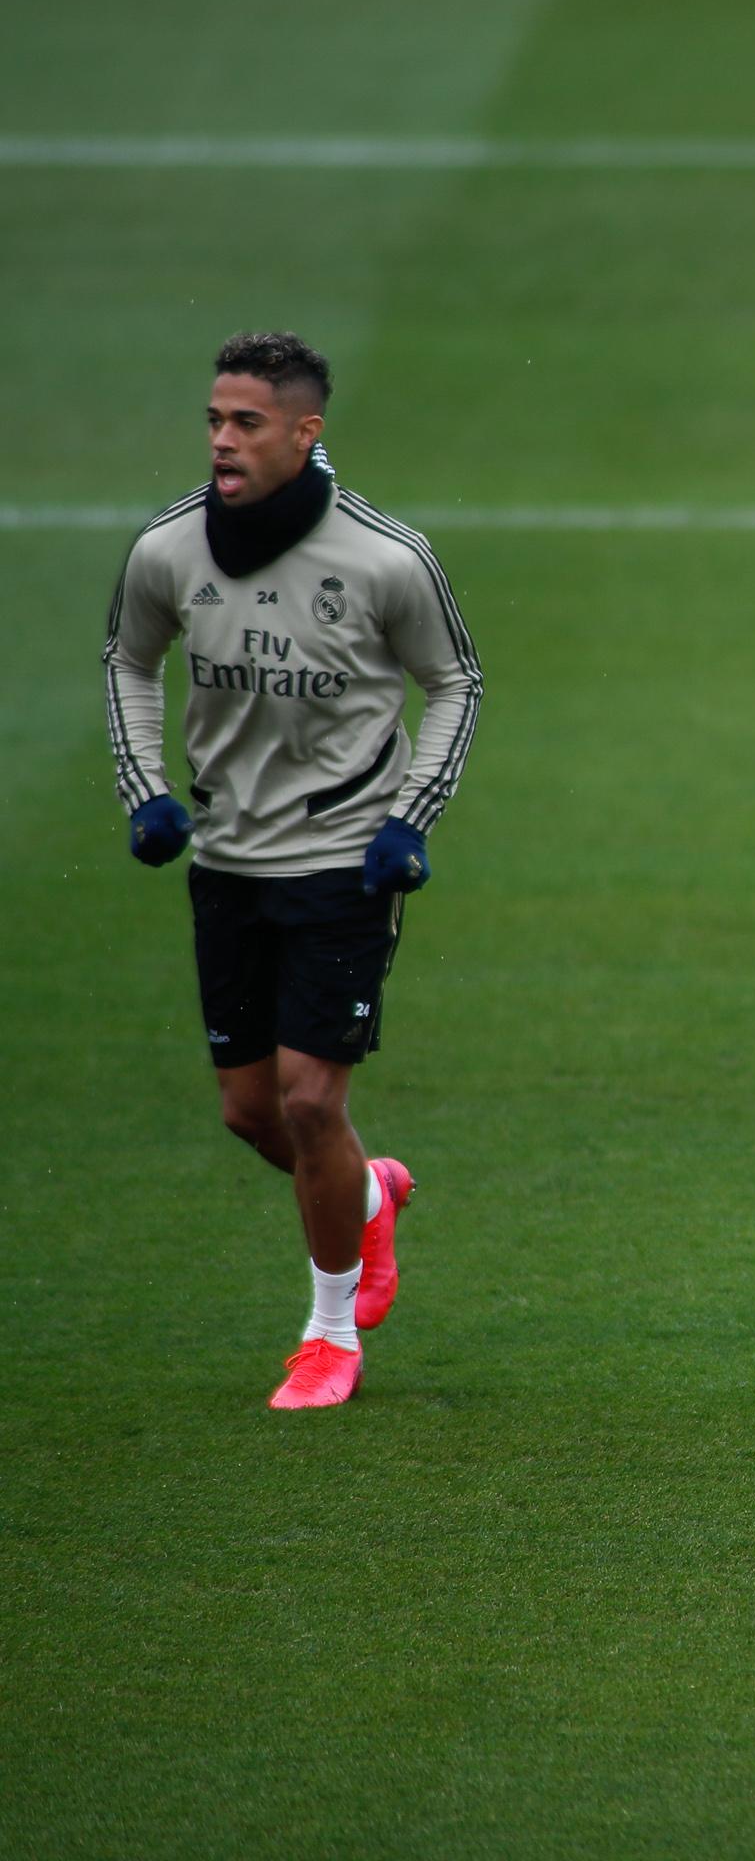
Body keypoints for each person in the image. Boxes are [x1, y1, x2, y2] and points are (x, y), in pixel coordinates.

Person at [102, 332, 481, 1410]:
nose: (223, 439)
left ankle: (328, 1337)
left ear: (307, 432)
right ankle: (369, 1196)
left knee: (314, 1101)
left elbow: (456, 680)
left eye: (248, 422)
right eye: (216, 419)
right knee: (251, 1112)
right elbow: (129, 659)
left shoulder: (384, 559)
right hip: (227, 858)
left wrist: (410, 820)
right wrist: (149, 792)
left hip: (344, 859)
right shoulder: (169, 548)